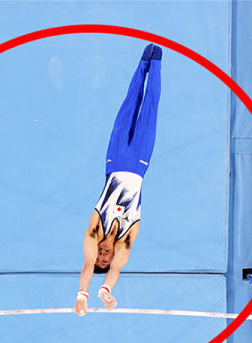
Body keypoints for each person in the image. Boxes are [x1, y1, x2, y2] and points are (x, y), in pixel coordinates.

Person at [74, 44, 162, 316]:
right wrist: (105, 291)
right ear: (111, 259)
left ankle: (142, 63)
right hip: (138, 164)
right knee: (149, 108)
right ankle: (157, 64)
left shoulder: (95, 229)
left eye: (98, 256)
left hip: (114, 160)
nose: (102, 254)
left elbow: (88, 266)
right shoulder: (127, 238)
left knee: (129, 104)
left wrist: (82, 294)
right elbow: (116, 269)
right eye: (105, 258)